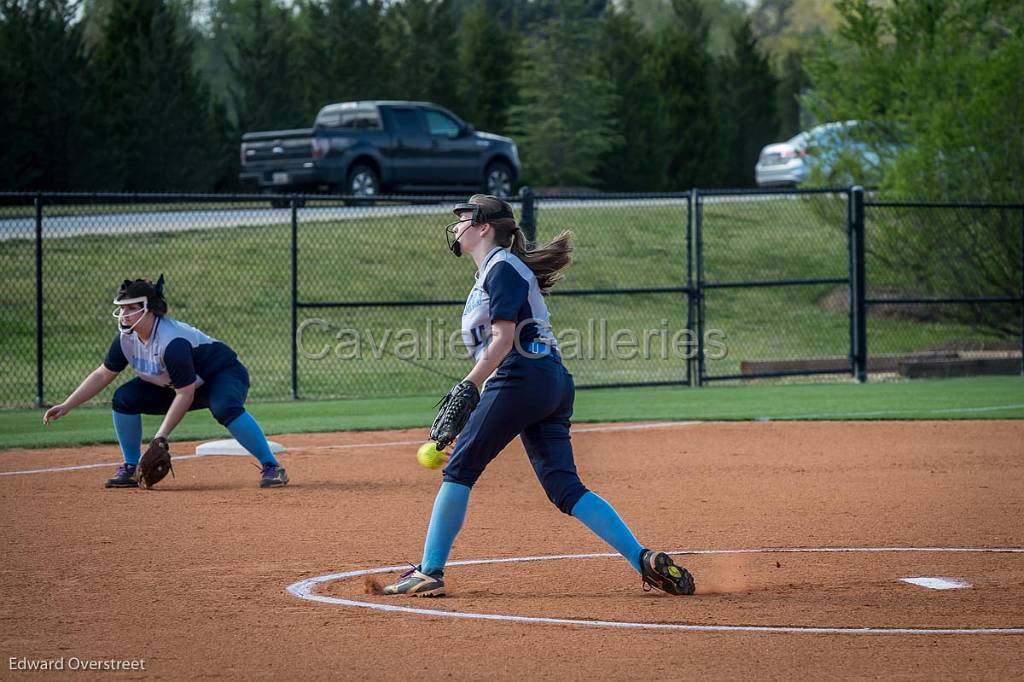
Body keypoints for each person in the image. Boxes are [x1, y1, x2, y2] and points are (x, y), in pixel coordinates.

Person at [382, 195, 694, 597]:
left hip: (523, 376)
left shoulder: (501, 269)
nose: (457, 226)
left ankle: (429, 571)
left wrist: (470, 385)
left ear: (483, 228)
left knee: (459, 470)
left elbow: (504, 339)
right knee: (565, 488)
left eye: (463, 219)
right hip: (548, 382)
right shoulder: (494, 272)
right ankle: (643, 559)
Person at [42, 275, 289, 489]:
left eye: (131, 308)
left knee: (224, 407)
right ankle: (130, 465)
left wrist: (160, 437)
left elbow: (186, 394)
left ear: (149, 309)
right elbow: (103, 374)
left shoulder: (172, 342)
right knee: (124, 398)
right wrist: (67, 405)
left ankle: (272, 466)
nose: (124, 314)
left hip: (221, 376)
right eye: (122, 308)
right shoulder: (126, 339)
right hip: (176, 386)